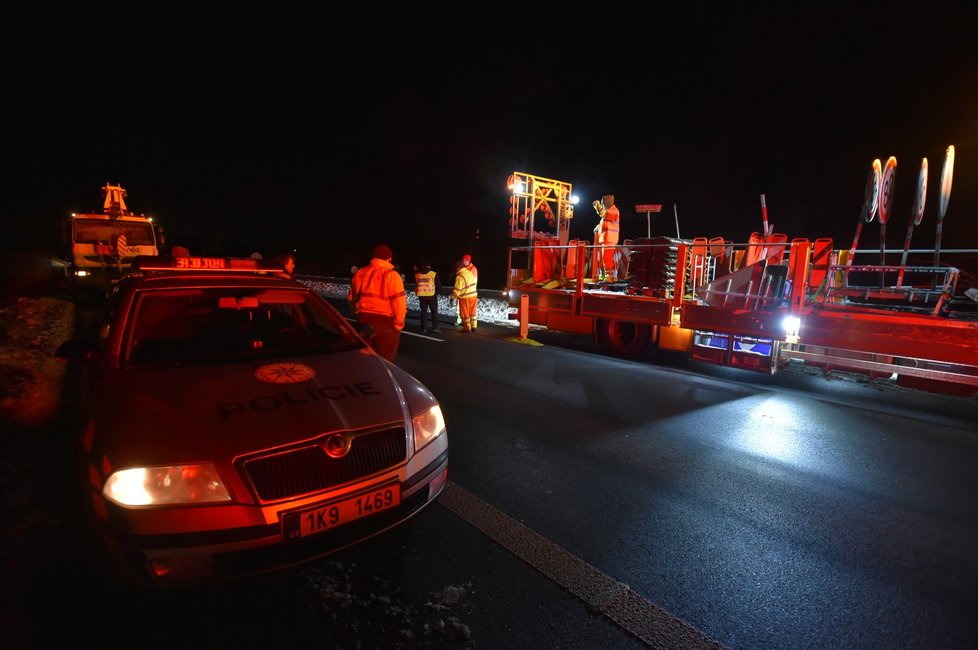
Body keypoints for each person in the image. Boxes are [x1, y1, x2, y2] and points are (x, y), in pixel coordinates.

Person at [347, 244, 407, 361]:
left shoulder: (360, 273)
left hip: (363, 320)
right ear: (389, 258)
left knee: (365, 360)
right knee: (386, 363)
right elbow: (399, 303)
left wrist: (358, 315)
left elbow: (351, 298)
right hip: (385, 323)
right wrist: (398, 325)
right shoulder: (392, 275)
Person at [592, 194, 620, 281]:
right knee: (603, 257)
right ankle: (604, 274)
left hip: (610, 238)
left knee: (606, 257)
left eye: (603, 204)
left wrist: (598, 207)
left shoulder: (614, 211)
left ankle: (609, 276)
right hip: (605, 239)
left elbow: (604, 214)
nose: (603, 205)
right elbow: (605, 222)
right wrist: (598, 227)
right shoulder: (610, 211)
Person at [451, 258, 478, 333]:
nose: (455, 270)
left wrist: (452, 298)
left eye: (456, 268)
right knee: (473, 312)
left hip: (465, 297)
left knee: (464, 313)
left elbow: (457, 290)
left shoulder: (460, 277)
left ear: (458, 268)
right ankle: (474, 326)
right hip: (474, 295)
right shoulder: (469, 273)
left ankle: (467, 328)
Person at [415, 261, 441, 333]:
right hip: (431, 295)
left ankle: (424, 328)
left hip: (421, 295)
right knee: (434, 312)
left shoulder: (417, 274)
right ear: (430, 267)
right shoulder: (433, 274)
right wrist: (435, 293)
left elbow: (417, 284)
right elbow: (438, 286)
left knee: (423, 312)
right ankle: (435, 328)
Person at [456, 253, 478, 327]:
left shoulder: (472, 269)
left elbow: (474, 282)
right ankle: (466, 323)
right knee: (467, 310)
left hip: (466, 293)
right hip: (468, 293)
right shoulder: (467, 269)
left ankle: (467, 326)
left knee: (466, 310)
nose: (462, 261)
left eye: (463, 260)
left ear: (466, 260)